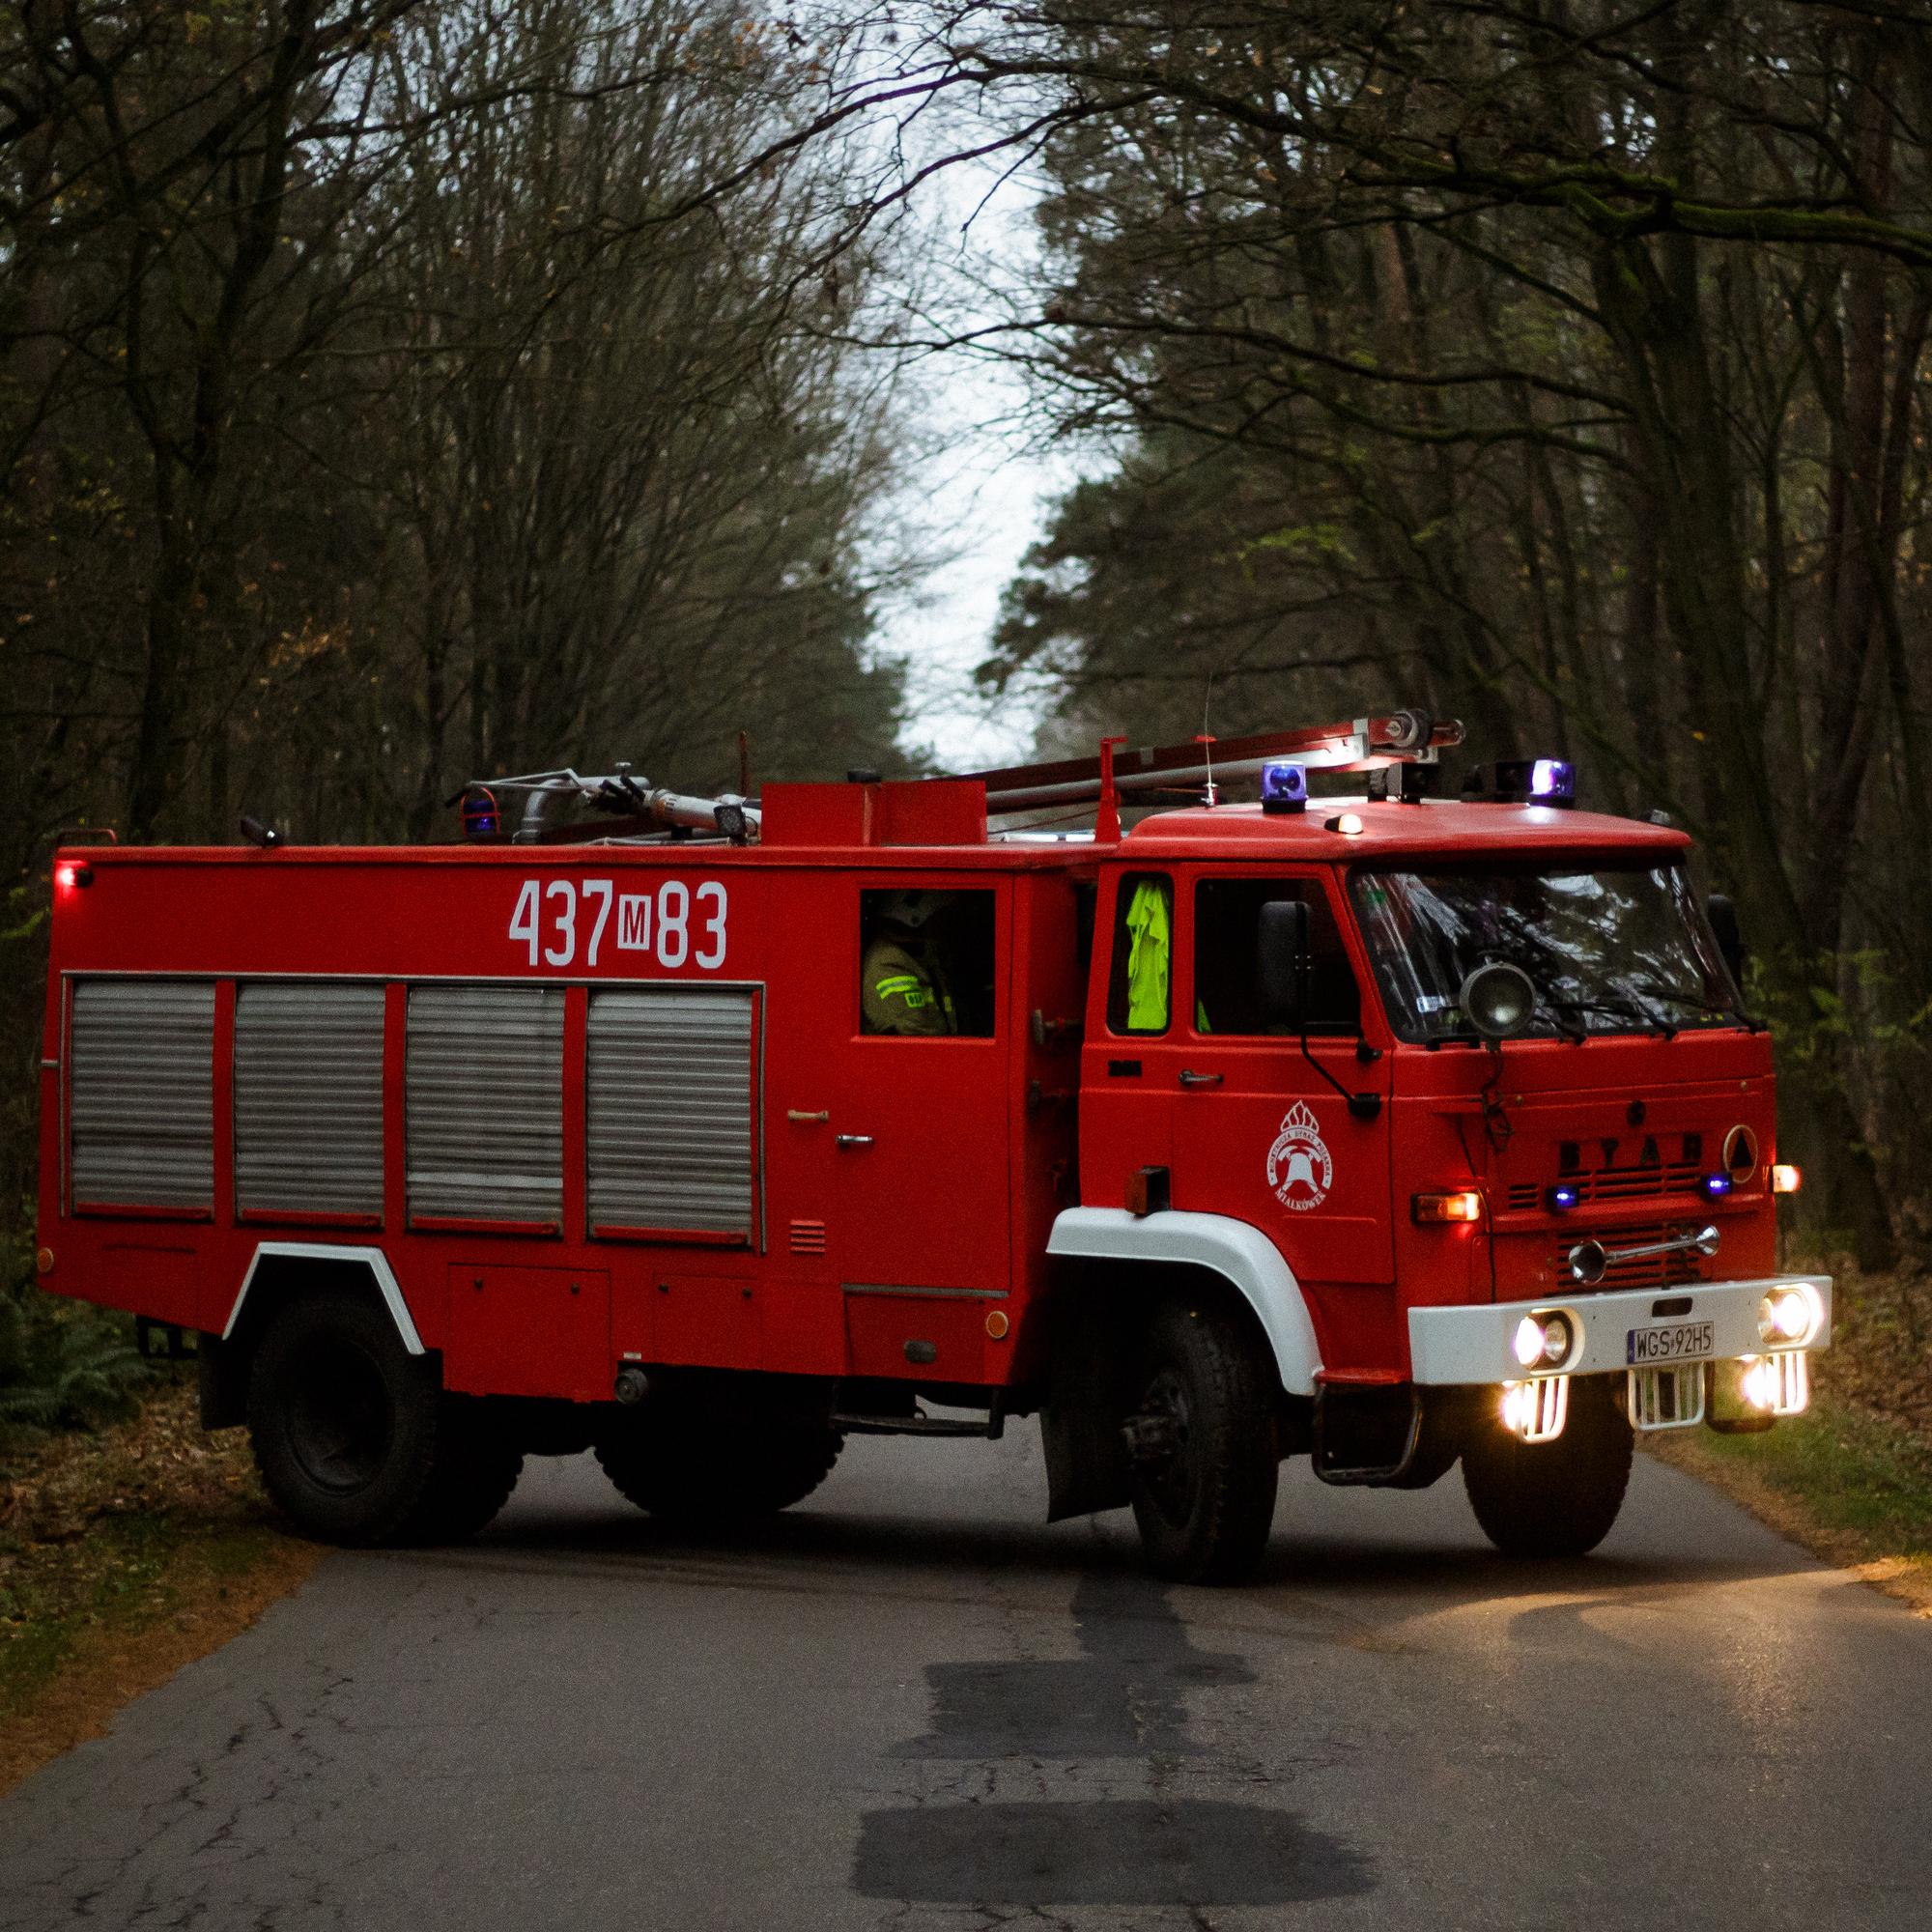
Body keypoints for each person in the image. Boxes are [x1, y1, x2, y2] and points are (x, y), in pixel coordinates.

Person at [861, 890, 959, 1036]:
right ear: (916, 918)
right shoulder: (888, 962)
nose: (949, 925)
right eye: (940, 917)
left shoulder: (922, 957)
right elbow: (914, 1038)